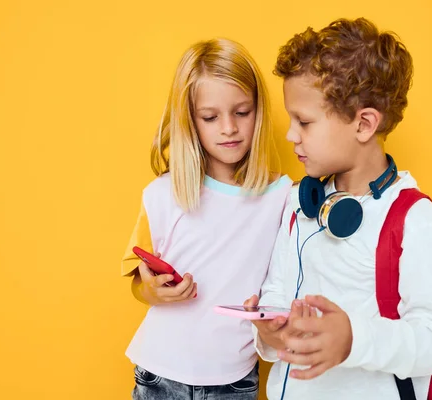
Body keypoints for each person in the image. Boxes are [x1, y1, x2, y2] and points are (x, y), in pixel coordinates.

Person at [247, 17, 432, 400]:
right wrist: (268, 328)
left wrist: (353, 338)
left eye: (304, 122)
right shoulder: (301, 202)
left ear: (363, 124)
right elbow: (278, 289)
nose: (289, 135)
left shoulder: (418, 222)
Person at [121, 37, 292, 400]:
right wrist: (150, 292)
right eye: (211, 117)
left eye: (242, 112)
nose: (228, 127)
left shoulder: (281, 196)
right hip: (159, 374)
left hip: (234, 379)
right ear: (191, 121)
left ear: (258, 112)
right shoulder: (162, 194)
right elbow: (138, 280)